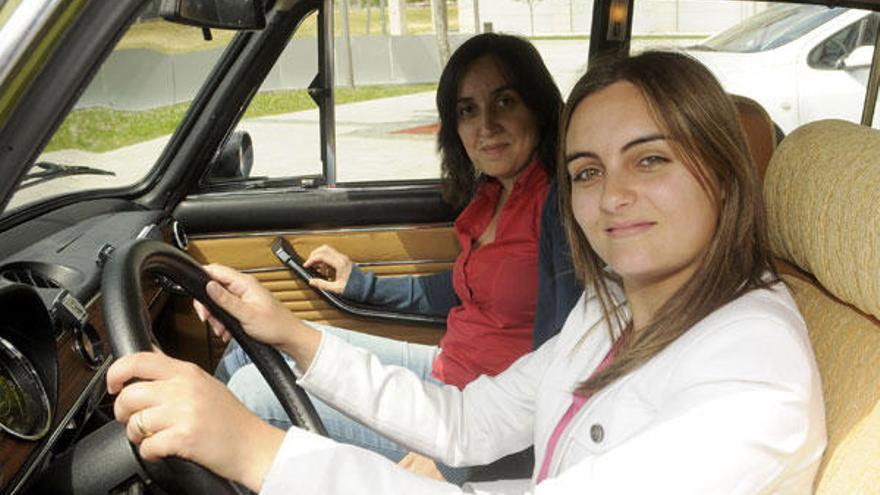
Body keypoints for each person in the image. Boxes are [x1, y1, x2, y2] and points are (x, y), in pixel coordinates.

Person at [107, 51, 826, 493]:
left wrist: (257, 449)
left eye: (651, 159)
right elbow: (465, 419)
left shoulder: (752, 371)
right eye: (587, 170)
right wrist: (295, 335)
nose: (611, 196)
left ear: (726, 178)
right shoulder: (616, 305)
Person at [212, 32, 568, 483]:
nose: (486, 126)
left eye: (505, 102)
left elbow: (563, 364)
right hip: (446, 365)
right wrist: (364, 285)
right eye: (468, 110)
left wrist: (453, 456)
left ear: (536, 106)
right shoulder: (493, 193)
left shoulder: (560, 205)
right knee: (248, 346)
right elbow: (464, 288)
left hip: (479, 414)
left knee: (251, 393)